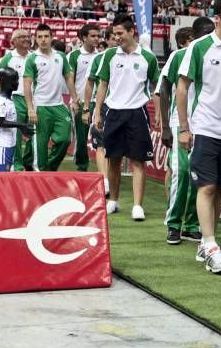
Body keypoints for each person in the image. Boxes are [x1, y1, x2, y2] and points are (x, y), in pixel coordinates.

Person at [178, 0, 221, 273]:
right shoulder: (199, 47)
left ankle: (207, 241)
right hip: (206, 128)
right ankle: (209, 244)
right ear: (217, 18)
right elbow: (182, 87)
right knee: (207, 186)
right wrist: (184, 128)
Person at [93, 16, 161, 220]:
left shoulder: (147, 57)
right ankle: (113, 201)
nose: (117, 37)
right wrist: (98, 111)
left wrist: (158, 113)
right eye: (115, 34)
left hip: (137, 113)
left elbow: (156, 87)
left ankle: (137, 206)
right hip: (113, 112)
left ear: (132, 32)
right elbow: (103, 85)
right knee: (113, 159)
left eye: (120, 33)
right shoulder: (109, 56)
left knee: (138, 160)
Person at [155, 26, 200, 245]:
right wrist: (164, 126)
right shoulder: (179, 56)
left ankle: (192, 225)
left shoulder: (215, 55)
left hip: (205, 125)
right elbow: (164, 88)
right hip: (178, 124)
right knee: (181, 172)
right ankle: (173, 223)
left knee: (198, 176)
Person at [24, 24, 78, 172]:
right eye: (39, 37)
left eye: (46, 36)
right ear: (35, 39)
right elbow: (27, 85)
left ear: (51, 37)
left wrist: (74, 99)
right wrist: (30, 109)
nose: (43, 40)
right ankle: (39, 173)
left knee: (64, 140)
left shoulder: (60, 56)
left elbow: (68, 76)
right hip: (40, 107)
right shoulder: (32, 59)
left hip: (59, 106)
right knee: (40, 148)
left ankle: (49, 168)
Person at [0, 29, 33, 171]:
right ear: (14, 41)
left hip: (34, 99)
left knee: (34, 132)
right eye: (22, 37)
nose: (27, 39)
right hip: (16, 98)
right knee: (17, 132)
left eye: (28, 36)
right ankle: (18, 165)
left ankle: (29, 161)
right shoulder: (7, 58)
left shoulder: (34, 57)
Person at [84, 32, 117, 197]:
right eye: (113, 37)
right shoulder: (98, 59)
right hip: (102, 105)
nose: (116, 40)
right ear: (108, 40)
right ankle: (104, 180)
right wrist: (87, 107)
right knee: (100, 143)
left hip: (121, 107)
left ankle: (110, 178)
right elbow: (90, 83)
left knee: (114, 146)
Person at [68, 23, 100, 171]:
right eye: (93, 36)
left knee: (101, 139)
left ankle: (105, 172)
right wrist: (74, 100)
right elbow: (70, 79)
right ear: (84, 37)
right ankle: (82, 167)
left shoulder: (101, 55)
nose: (97, 39)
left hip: (98, 102)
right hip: (80, 102)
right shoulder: (75, 56)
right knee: (81, 138)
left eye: (98, 36)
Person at [0, 67, 34, 172]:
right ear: (5, 82)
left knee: (5, 174)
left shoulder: (9, 100)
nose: (17, 82)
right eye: (14, 80)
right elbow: (1, 122)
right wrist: (21, 126)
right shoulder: (2, 102)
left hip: (8, 144)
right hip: (1, 145)